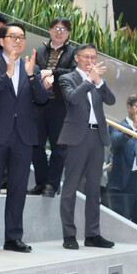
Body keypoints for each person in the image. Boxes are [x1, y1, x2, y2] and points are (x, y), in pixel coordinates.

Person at [0, 22, 48, 255]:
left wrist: (32, 77)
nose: (17, 41)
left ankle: (13, 238)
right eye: (12, 36)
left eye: (21, 37)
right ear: (1, 40)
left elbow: (42, 99)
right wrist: (7, 75)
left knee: (17, 189)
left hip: (23, 138)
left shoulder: (31, 67)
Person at [57, 43, 116, 250]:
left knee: (94, 188)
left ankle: (92, 234)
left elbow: (111, 100)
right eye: (86, 57)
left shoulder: (98, 80)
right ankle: (69, 234)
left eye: (93, 57)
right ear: (76, 58)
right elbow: (72, 99)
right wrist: (89, 80)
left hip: (97, 137)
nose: (90, 61)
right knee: (70, 188)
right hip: (76, 138)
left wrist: (98, 82)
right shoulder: (67, 78)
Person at [30, 17, 76, 197]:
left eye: (63, 29)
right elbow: (32, 70)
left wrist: (53, 74)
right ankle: (41, 183)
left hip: (60, 104)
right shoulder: (40, 50)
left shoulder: (73, 52)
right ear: (49, 30)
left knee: (59, 147)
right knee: (36, 144)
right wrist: (41, 78)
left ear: (68, 33)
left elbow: (74, 72)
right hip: (39, 103)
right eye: (56, 28)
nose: (59, 32)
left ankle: (52, 185)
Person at [108, 95, 137, 223]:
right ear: (129, 107)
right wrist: (131, 129)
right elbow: (115, 142)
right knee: (122, 221)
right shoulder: (117, 125)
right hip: (124, 180)